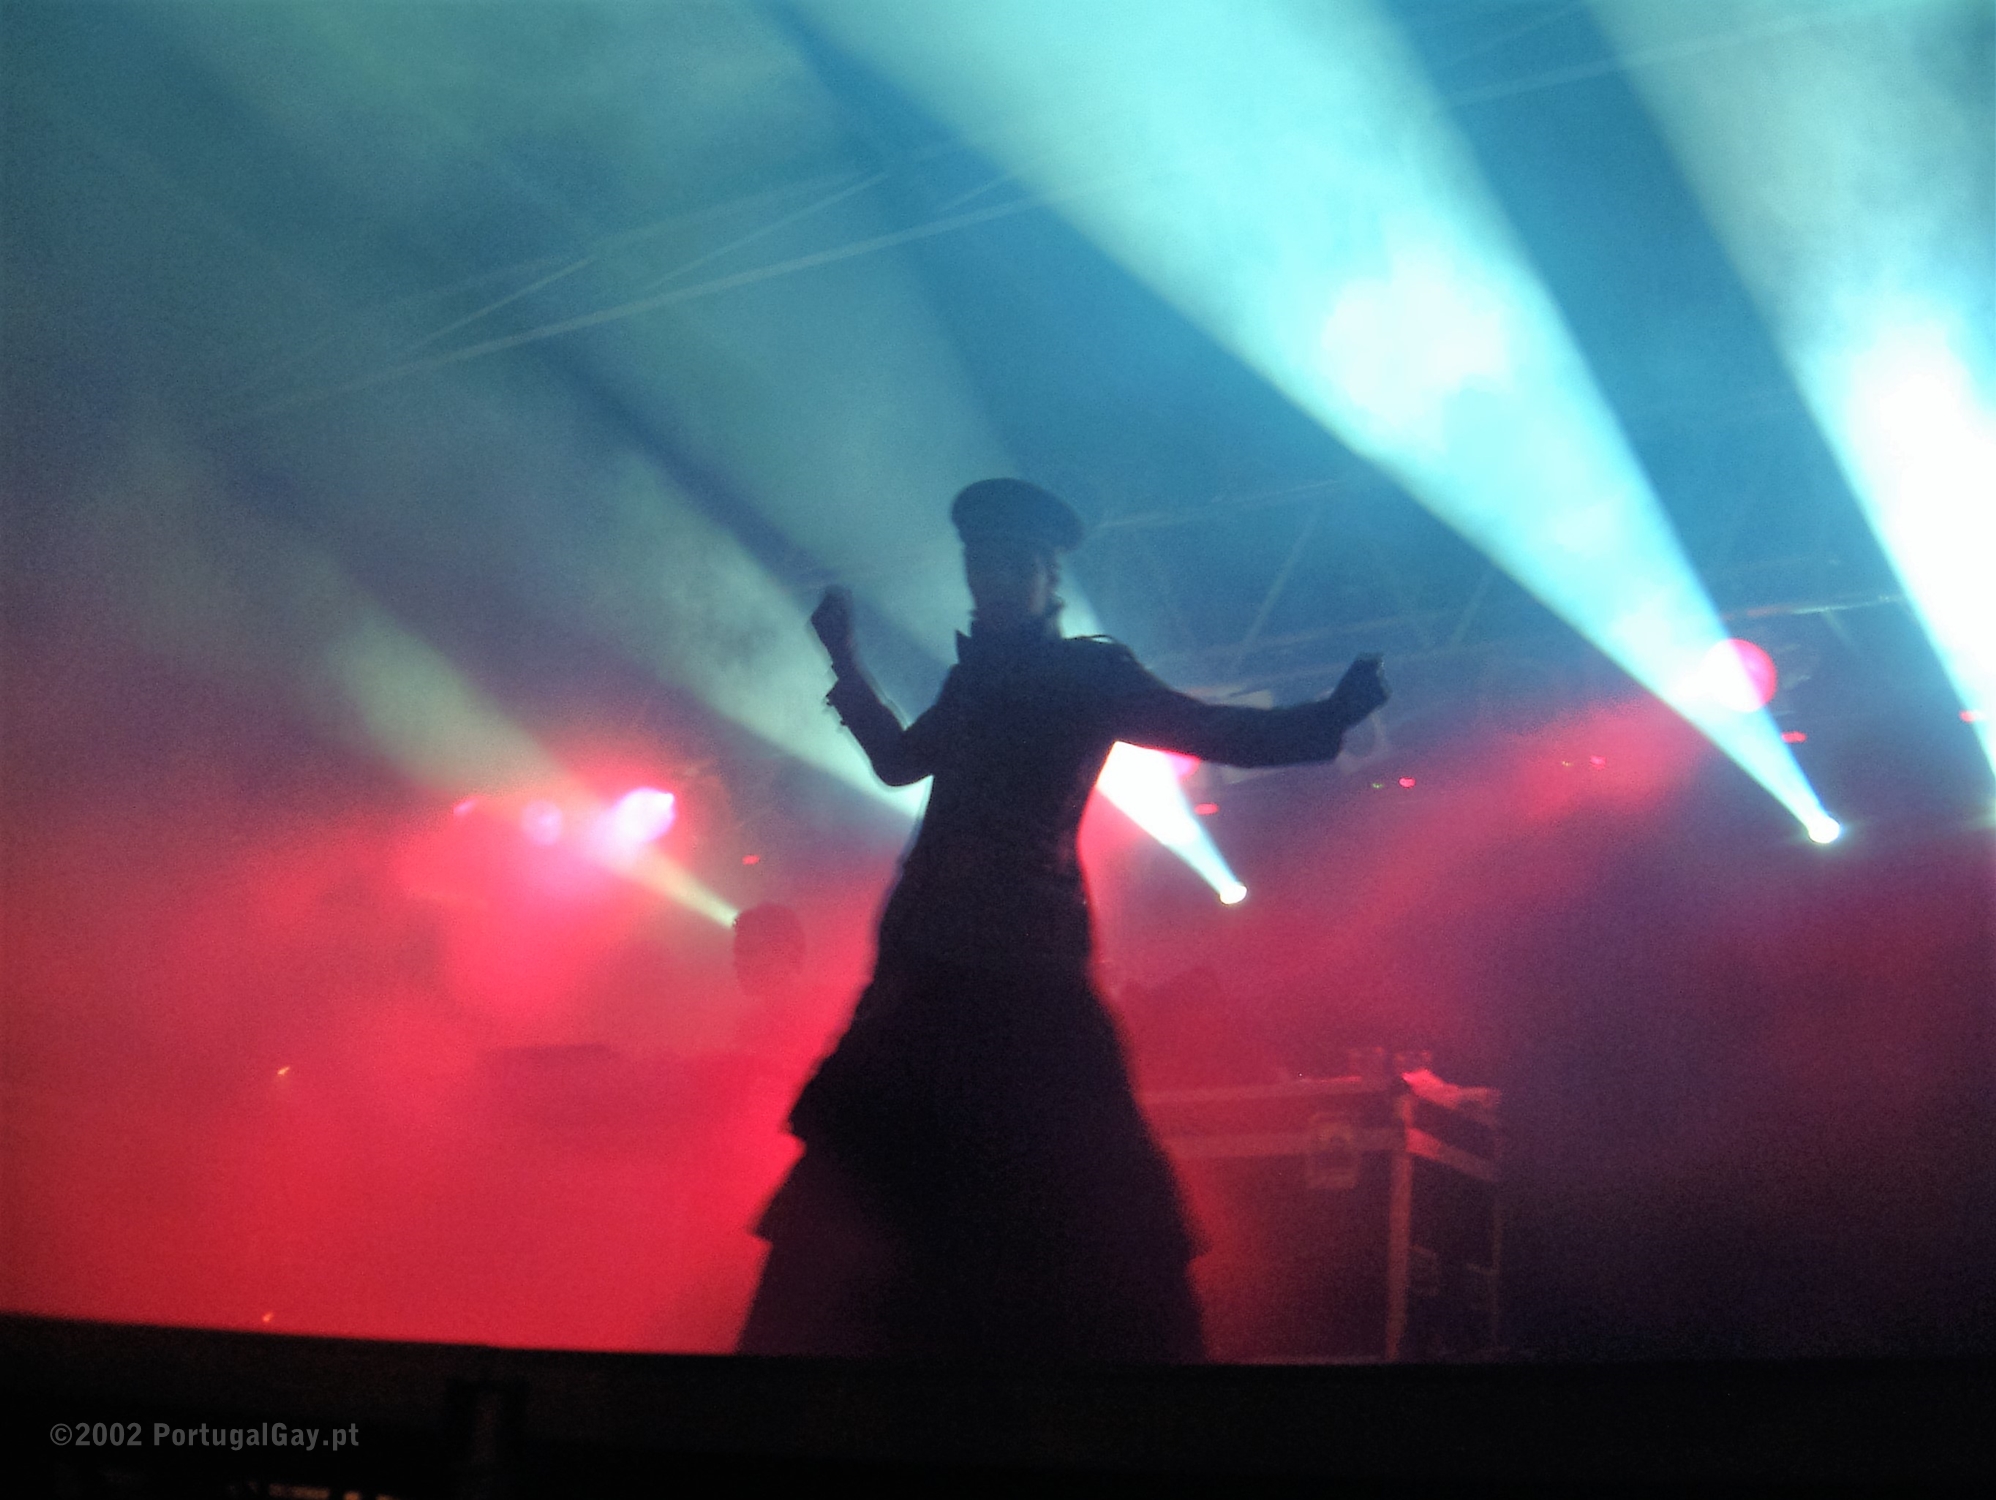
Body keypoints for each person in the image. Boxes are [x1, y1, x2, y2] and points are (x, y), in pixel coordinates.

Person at [736, 478, 1389, 1361]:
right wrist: (845, 662)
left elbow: (1209, 730)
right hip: (925, 962)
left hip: (1025, 966)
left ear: (1050, 577)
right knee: (870, 1181)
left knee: (1076, 1180)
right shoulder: (972, 680)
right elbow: (897, 763)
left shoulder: (1089, 673)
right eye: (980, 561)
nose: (991, 578)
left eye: (1012, 562)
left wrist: (1328, 719)